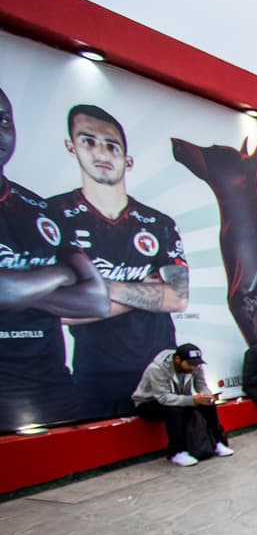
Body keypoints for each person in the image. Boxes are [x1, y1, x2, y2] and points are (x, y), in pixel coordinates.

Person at [50, 105, 189, 419]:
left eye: (111, 146)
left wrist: (93, 290)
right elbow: (53, 308)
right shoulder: (53, 216)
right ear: (72, 147)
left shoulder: (158, 223)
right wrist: (147, 293)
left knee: (181, 435)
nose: (101, 153)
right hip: (95, 372)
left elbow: (177, 297)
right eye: (88, 141)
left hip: (160, 366)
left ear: (127, 159)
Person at [0, 86, 109, 432]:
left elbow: (96, 299)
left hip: (53, 388)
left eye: (3, 120)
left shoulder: (40, 210)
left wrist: (21, 293)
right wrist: (61, 273)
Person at [132, 343, 233, 466]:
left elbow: (201, 385)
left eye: (196, 364)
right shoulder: (157, 369)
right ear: (177, 360)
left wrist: (207, 396)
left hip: (177, 400)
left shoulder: (196, 367)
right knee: (173, 411)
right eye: (190, 364)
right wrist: (192, 400)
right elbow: (163, 398)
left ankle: (217, 442)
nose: (194, 367)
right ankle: (177, 452)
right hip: (148, 403)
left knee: (208, 406)